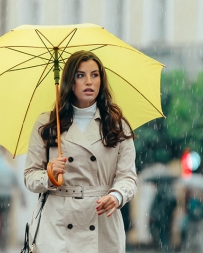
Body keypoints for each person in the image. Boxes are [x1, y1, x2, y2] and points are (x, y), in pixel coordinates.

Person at [23, 50, 138, 253]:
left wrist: (117, 195)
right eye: (80, 75)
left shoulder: (116, 125)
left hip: (101, 220)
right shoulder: (48, 124)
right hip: (57, 224)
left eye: (94, 75)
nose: (89, 82)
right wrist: (49, 174)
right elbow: (30, 177)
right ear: (69, 81)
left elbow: (128, 176)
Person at [0, 146, 26, 253]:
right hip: (6, 199)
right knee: (6, 221)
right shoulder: (9, 168)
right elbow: (17, 184)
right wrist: (23, 198)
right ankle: (4, 244)